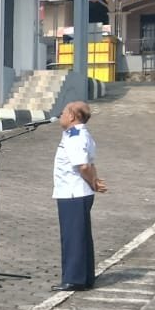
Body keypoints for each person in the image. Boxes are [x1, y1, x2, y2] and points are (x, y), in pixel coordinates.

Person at [54, 101, 104, 291]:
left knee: (73, 237)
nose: (61, 115)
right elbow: (90, 164)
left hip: (72, 192)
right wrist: (94, 181)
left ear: (72, 116)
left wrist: (92, 182)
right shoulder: (82, 134)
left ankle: (74, 279)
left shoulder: (74, 136)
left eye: (63, 112)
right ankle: (86, 277)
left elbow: (83, 166)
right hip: (77, 192)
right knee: (81, 236)